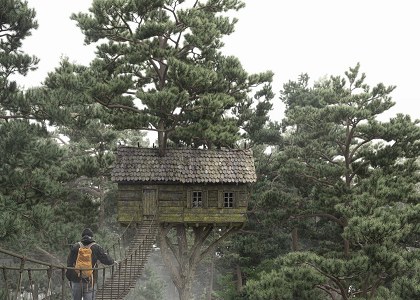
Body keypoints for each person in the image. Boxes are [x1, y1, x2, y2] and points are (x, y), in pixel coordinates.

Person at [66, 228, 115, 300]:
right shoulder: (96, 247)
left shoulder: (75, 246)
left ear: (82, 237)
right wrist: (113, 262)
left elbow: (69, 263)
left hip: (76, 279)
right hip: (90, 280)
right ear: (92, 236)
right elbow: (106, 259)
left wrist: (70, 278)